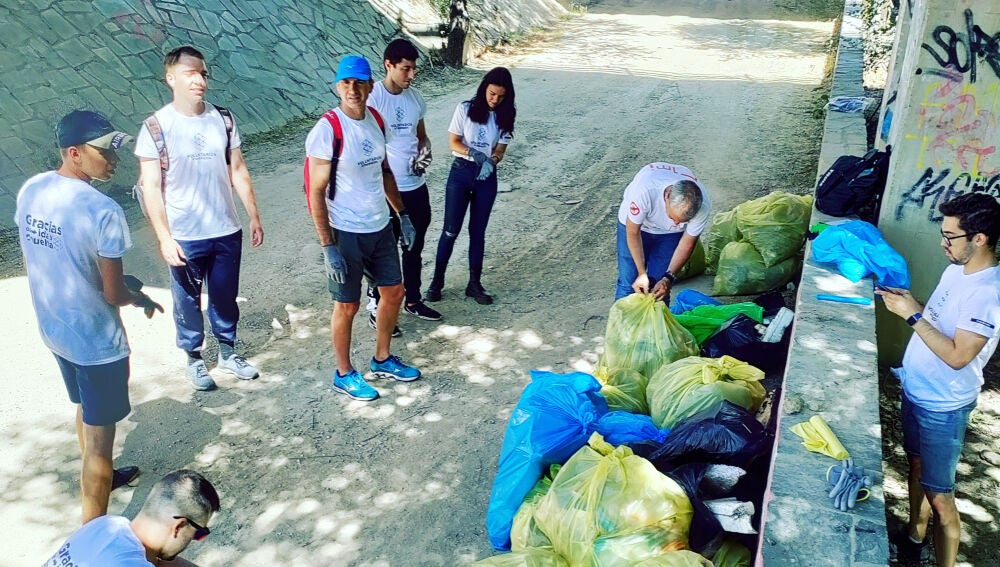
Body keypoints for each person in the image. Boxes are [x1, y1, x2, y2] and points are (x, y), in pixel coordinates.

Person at [15, 110, 162, 523]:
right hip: (96, 340)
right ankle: (91, 533)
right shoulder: (103, 210)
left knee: (84, 406)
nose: (114, 158)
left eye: (116, 147)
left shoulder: (33, 189)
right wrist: (138, 296)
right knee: (100, 438)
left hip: (57, 328)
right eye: (104, 151)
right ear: (74, 153)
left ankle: (102, 476)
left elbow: (35, 258)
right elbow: (113, 292)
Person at [877, 192, 1000, 567]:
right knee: (915, 466)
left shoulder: (988, 293)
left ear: (978, 238)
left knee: (941, 497)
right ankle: (915, 535)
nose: (942, 242)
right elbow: (939, 321)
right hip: (918, 391)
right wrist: (910, 302)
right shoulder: (956, 270)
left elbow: (958, 356)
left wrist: (912, 315)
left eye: (950, 236)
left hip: (942, 407)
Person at [136, 45, 265, 392]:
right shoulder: (156, 126)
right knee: (187, 300)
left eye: (203, 73)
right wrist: (164, 237)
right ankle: (194, 358)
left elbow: (237, 169)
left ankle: (227, 352)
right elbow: (151, 187)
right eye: (190, 73)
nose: (199, 80)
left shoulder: (222, 119)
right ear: (171, 78)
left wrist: (253, 215)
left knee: (225, 295)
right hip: (185, 235)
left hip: (226, 229)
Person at [305, 55, 421, 402]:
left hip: (379, 225)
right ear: (337, 86)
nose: (353, 90)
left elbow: (385, 170)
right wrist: (328, 246)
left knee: (393, 293)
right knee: (348, 305)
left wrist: (402, 213)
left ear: (370, 86)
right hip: (346, 231)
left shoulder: (375, 119)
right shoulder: (327, 130)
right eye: (346, 83)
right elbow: (315, 189)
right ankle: (343, 373)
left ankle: (382, 358)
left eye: (359, 83)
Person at [365, 38, 442, 329]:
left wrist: (425, 151)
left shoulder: (416, 98)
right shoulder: (374, 98)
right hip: (386, 189)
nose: (411, 75)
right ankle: (378, 306)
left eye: (414, 69)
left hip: (415, 183)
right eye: (406, 69)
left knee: (415, 243)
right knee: (382, 250)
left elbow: (420, 135)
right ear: (389, 65)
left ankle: (412, 298)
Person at [425, 67, 516, 305]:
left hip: (486, 176)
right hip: (462, 172)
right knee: (450, 230)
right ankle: (437, 282)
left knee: (478, 232)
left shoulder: (506, 115)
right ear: (484, 88)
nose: (495, 100)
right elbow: (453, 142)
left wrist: (491, 161)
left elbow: (500, 149)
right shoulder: (465, 109)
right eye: (492, 94)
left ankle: (474, 284)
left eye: (500, 96)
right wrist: (474, 153)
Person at [44, 469, 220, 566]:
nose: (197, 539)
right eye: (198, 534)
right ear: (179, 526)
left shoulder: (108, 524)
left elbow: (158, 562)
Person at [614, 163, 711, 301]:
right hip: (636, 227)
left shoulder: (702, 206)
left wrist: (668, 277)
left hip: (668, 235)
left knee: (660, 288)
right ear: (666, 195)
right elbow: (632, 232)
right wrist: (642, 273)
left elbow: (687, 243)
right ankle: (621, 322)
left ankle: (659, 322)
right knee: (629, 282)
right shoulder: (645, 191)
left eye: (683, 222)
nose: (676, 224)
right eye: (673, 217)